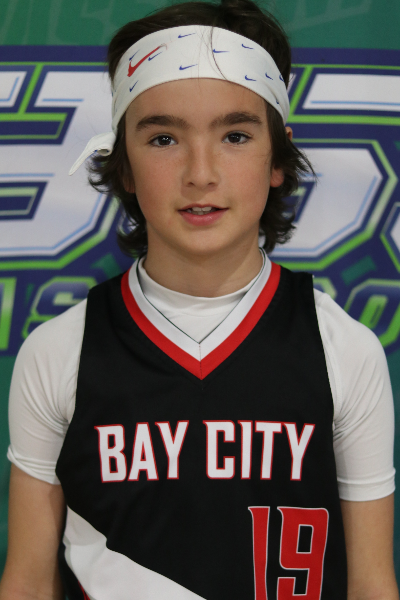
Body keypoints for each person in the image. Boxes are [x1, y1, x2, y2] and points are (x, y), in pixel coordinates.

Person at [0, 0, 398, 598]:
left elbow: (371, 584)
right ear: (125, 165)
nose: (201, 173)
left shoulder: (344, 351)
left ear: (277, 157)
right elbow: (29, 582)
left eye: (235, 135)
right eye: (163, 138)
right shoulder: (59, 352)